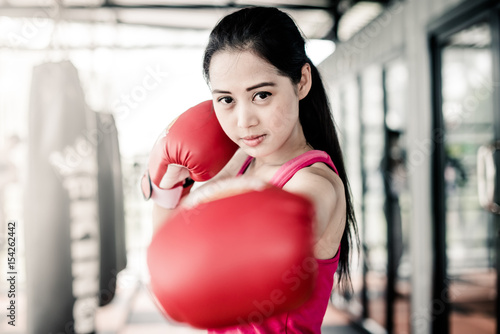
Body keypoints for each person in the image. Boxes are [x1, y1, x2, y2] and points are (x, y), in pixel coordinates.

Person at [145, 6, 358, 333]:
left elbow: (295, 222)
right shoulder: (241, 162)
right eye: (226, 100)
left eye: (261, 95)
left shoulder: (314, 183)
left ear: (301, 82)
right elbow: (166, 249)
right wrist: (168, 186)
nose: (244, 121)